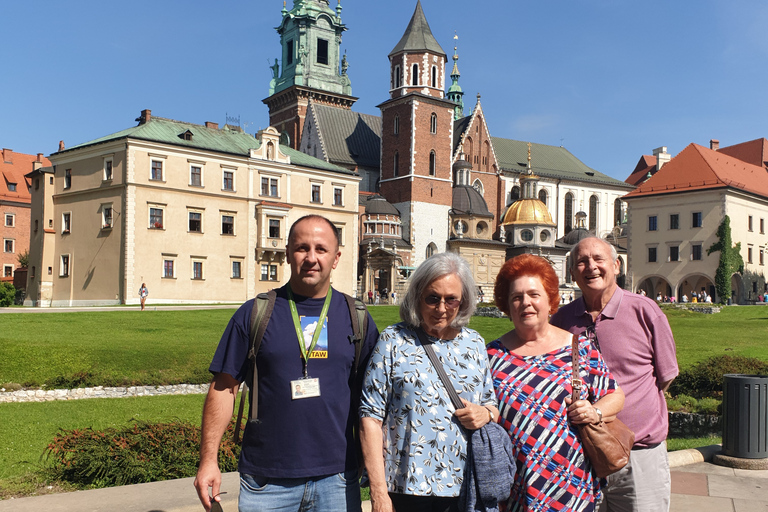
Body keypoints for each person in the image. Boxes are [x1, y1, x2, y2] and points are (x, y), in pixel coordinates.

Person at [194, 215, 379, 512]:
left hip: (338, 479)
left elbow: (374, 401)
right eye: (301, 248)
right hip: (267, 483)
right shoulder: (255, 313)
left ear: (336, 258)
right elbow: (223, 388)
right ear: (287, 253)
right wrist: (208, 461)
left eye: (321, 249)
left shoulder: (357, 317)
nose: (311, 258)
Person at [360, 252, 499, 512]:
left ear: (463, 300)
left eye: (451, 300)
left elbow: (492, 405)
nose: (441, 308)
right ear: (417, 297)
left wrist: (485, 413)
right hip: (405, 487)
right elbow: (370, 417)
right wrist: (378, 493)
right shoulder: (394, 340)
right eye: (432, 298)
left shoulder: (474, 343)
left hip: (464, 487)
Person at [487, 254, 624, 512]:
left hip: (573, 485)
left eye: (534, 294)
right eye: (516, 297)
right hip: (515, 489)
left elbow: (615, 395)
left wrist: (594, 411)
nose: (525, 302)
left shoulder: (579, 347)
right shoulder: (492, 356)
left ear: (550, 300)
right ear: (507, 305)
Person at [551, 237, 679, 512]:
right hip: (581, 456)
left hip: (639, 455)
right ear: (572, 273)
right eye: (581, 262)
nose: (591, 267)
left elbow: (665, 376)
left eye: (598, 259)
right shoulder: (562, 321)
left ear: (616, 265)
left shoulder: (644, 311)